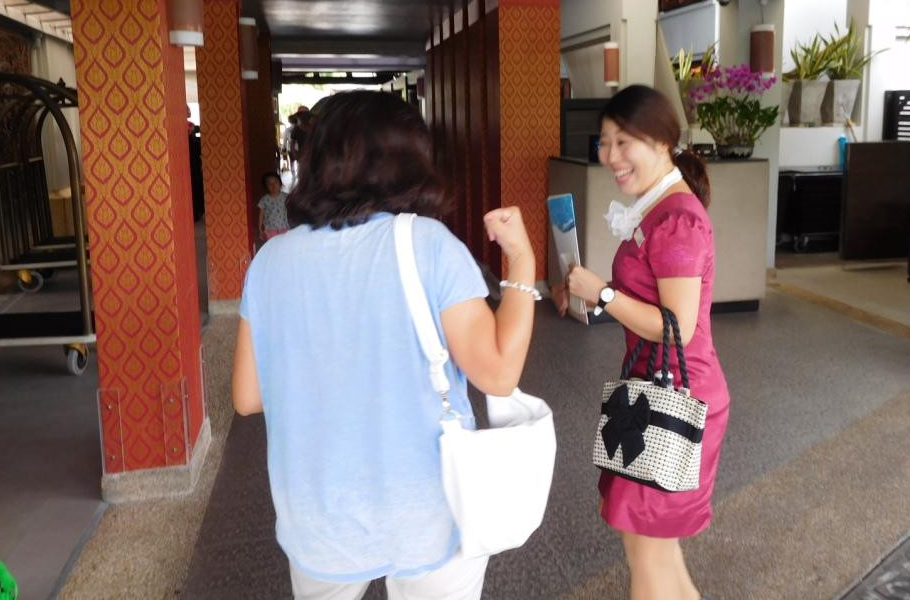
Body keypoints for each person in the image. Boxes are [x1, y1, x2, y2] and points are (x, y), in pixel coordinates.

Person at [232, 90, 538, 600]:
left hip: (317, 514)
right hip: (426, 510)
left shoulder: (269, 262)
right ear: (408, 161)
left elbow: (247, 397)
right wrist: (523, 261)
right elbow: (499, 374)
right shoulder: (429, 244)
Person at [556, 85, 729, 600]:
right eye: (604, 142)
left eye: (622, 142)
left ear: (661, 142)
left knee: (647, 553)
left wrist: (603, 293)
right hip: (654, 390)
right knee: (655, 547)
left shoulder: (677, 220)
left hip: (676, 398)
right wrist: (588, 293)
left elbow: (678, 325)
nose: (610, 156)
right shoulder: (658, 208)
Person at [257, 171, 289, 243]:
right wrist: (260, 229)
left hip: (284, 227)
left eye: (275, 182)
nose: (273, 185)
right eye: (269, 184)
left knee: (284, 244)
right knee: (272, 245)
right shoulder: (264, 199)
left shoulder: (286, 197)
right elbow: (261, 215)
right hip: (270, 229)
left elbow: (292, 210)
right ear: (266, 186)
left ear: (280, 183)